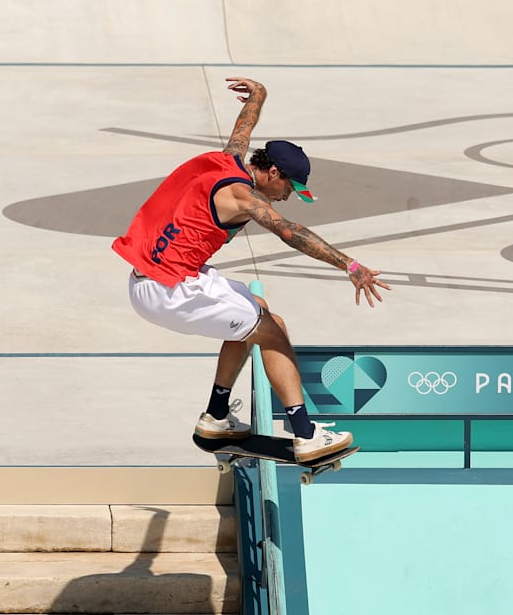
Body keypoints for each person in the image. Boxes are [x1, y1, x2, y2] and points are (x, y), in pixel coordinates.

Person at [112, 77, 391, 462]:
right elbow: (289, 231)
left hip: (148, 280)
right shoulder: (243, 197)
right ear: (273, 172)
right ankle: (306, 435)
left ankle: (216, 415)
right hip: (172, 289)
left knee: (253, 305)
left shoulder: (228, 160)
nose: (288, 195)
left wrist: (259, 95)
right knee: (273, 331)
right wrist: (350, 265)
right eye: (289, 187)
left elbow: (244, 127)